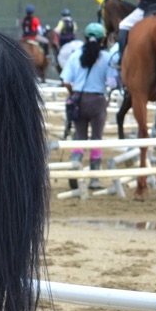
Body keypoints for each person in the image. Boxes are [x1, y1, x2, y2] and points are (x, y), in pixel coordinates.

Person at [61, 22, 118, 190]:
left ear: (85, 38)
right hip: (98, 102)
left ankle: (74, 170)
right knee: (96, 138)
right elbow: (112, 83)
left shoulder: (75, 55)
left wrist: (73, 93)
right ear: (102, 40)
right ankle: (94, 179)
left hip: (79, 100)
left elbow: (65, 81)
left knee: (79, 137)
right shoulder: (106, 58)